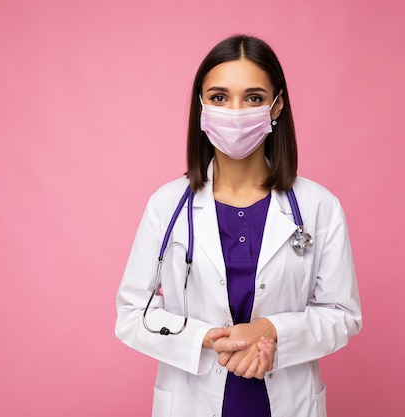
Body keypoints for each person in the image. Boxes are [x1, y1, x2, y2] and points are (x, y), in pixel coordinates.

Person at [115, 34, 362, 417]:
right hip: (192, 400)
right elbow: (132, 314)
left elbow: (342, 315)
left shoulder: (319, 206)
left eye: (253, 98)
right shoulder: (167, 205)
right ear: (201, 106)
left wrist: (271, 331)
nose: (235, 111)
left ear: (276, 105)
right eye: (219, 97)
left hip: (284, 401)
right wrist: (205, 339)